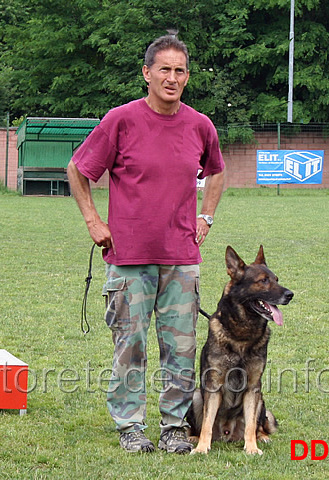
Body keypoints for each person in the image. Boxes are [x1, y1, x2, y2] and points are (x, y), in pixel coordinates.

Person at [67, 33, 225, 454]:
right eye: (164, 70)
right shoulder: (121, 120)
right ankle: (130, 427)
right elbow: (78, 169)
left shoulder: (200, 125)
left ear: (187, 76)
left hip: (181, 258)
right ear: (147, 73)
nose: (171, 78)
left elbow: (217, 171)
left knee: (180, 348)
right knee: (130, 347)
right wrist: (92, 220)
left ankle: (174, 426)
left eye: (179, 71)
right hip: (129, 258)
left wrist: (206, 216)